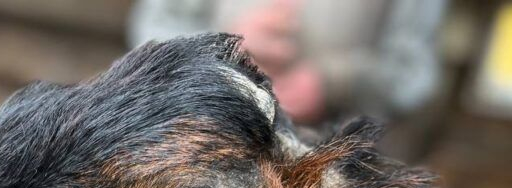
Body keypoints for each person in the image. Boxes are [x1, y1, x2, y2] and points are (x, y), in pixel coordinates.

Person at [129, 0, 448, 126]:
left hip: (337, 172)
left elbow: (414, 74)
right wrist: (224, 45)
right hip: (202, 140)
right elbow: (153, 30)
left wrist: (336, 83)